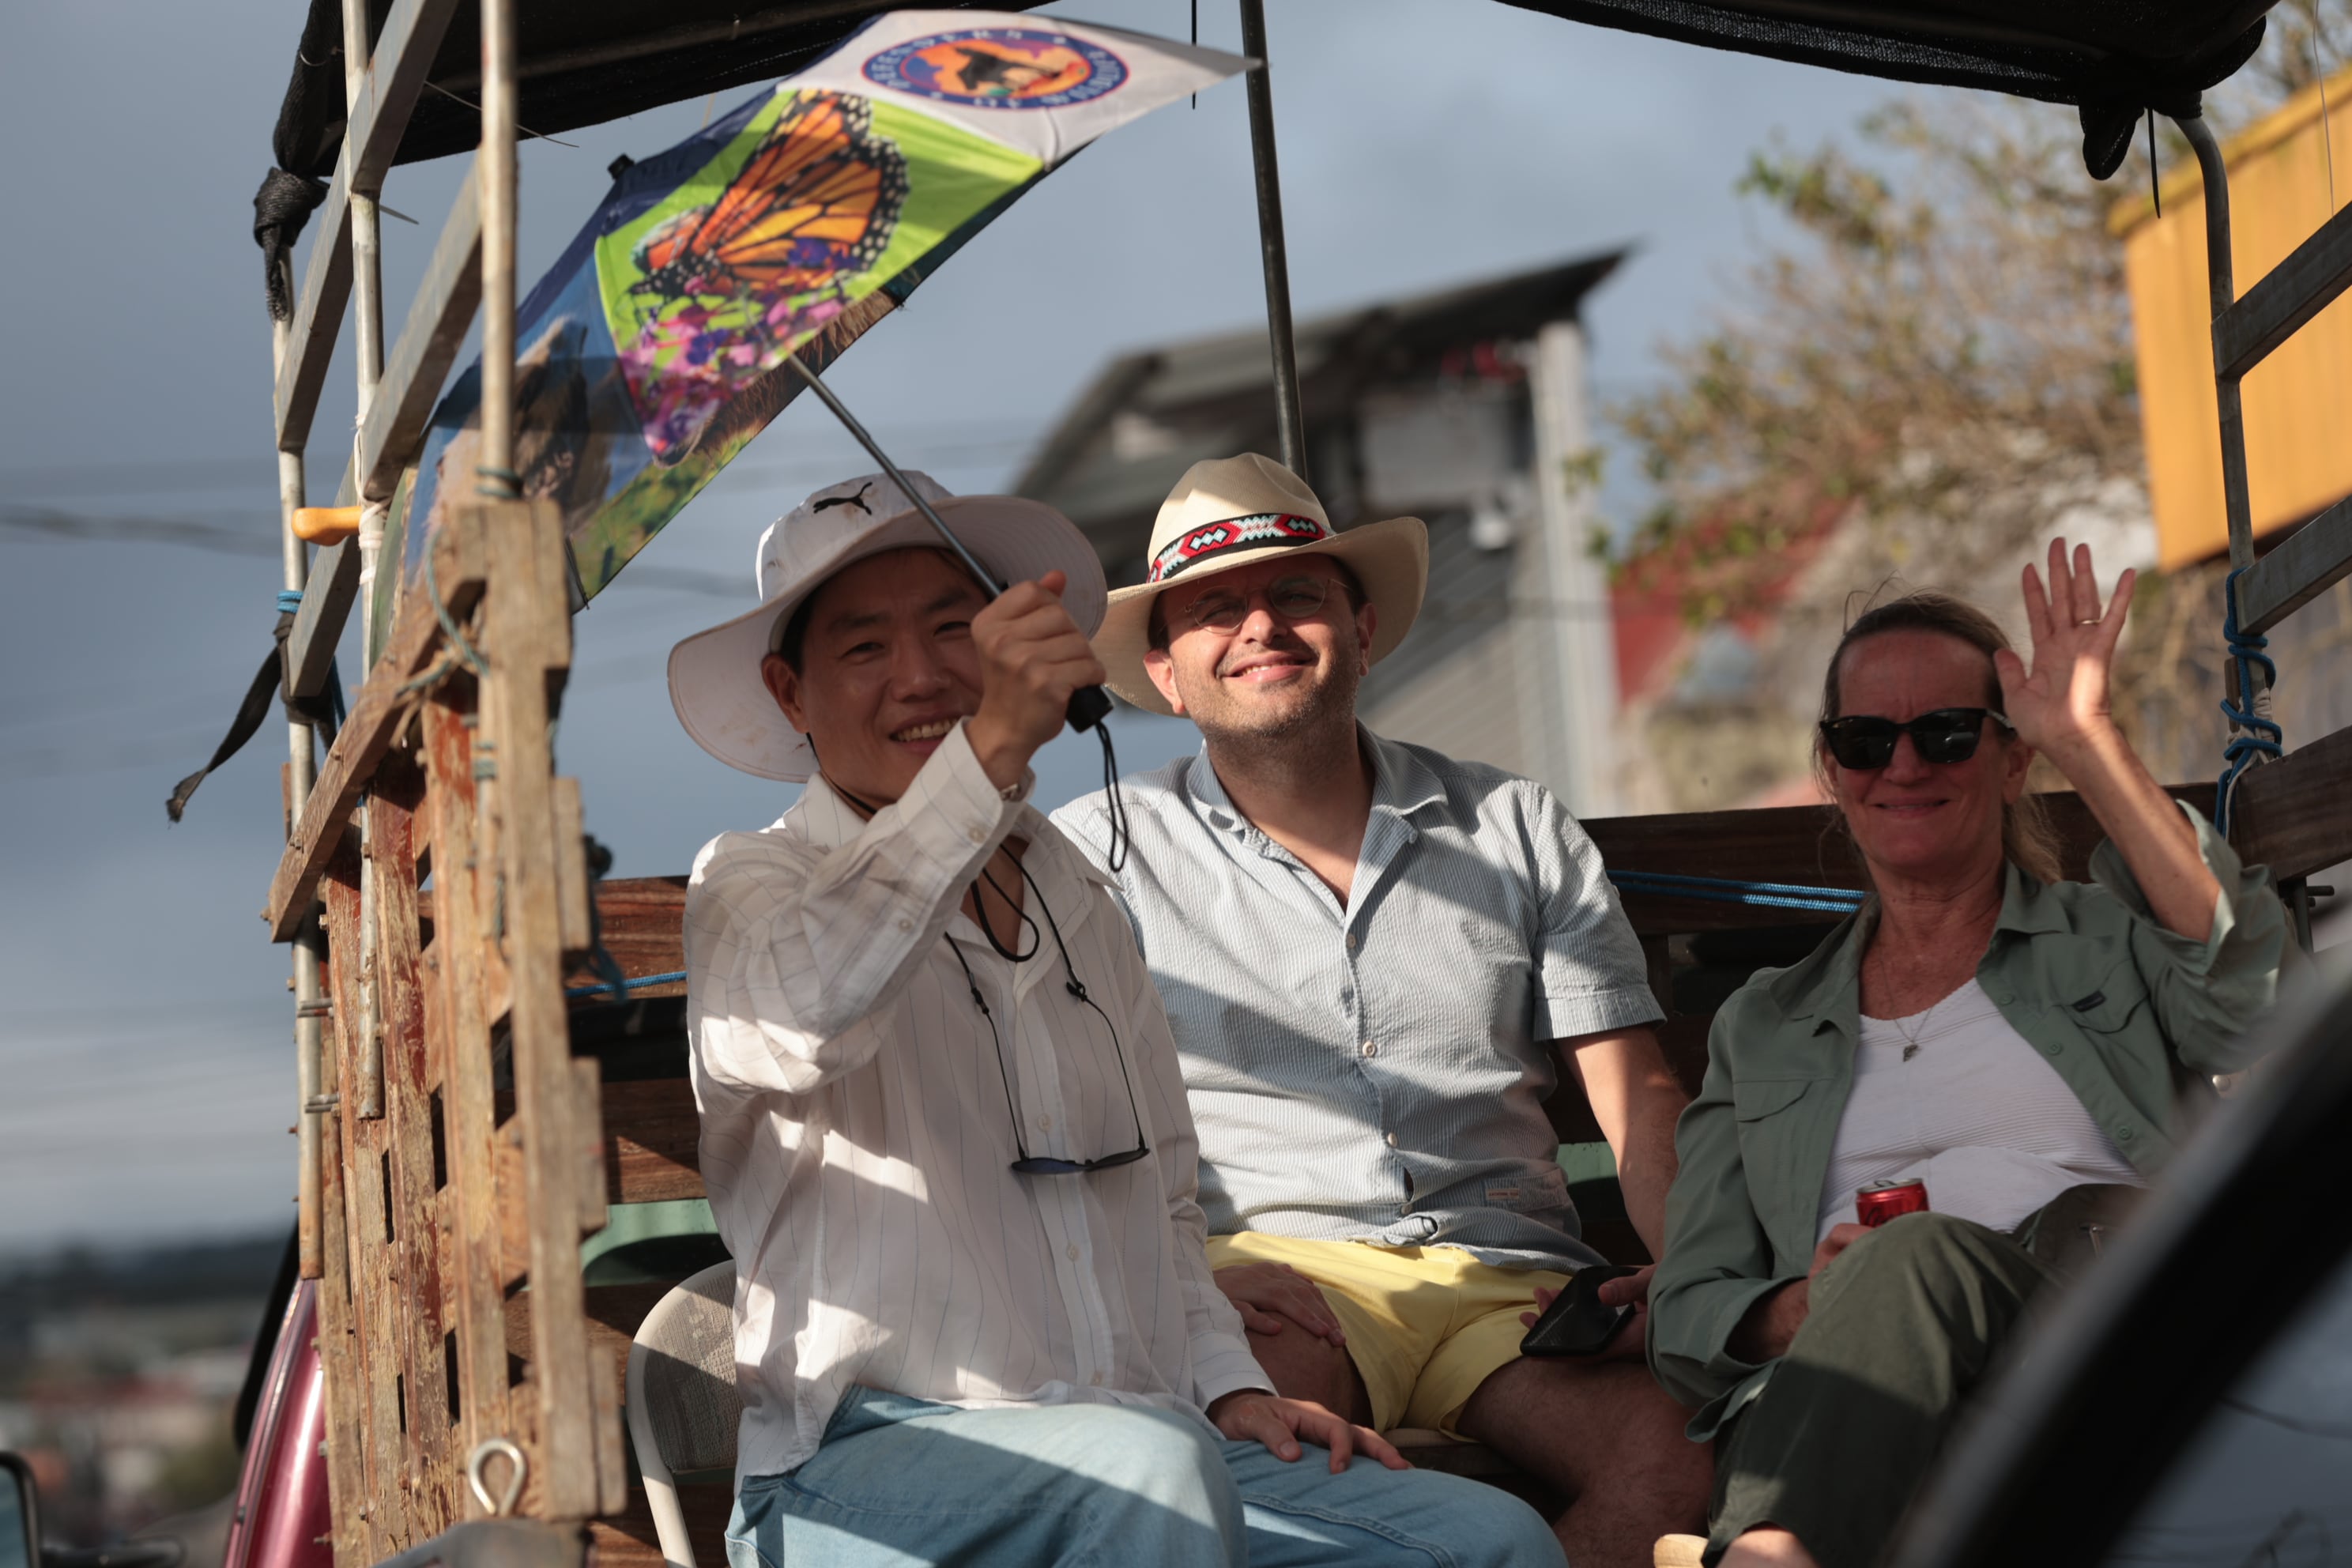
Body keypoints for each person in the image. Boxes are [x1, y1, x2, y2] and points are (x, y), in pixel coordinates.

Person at [667, 472, 1563, 1568]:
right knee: (1149, 1468)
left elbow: (1162, 1197)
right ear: (789, 692)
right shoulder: (750, 881)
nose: (919, 674)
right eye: (862, 648)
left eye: (955, 627)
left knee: (1491, 1541)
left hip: (1144, 1435)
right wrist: (985, 756)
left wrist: (1230, 1384)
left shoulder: (1074, 890)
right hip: (857, 1469)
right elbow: (804, 1016)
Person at [1054, 454, 1713, 1566]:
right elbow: (1066, 1129)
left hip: (1511, 1284)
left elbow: (1635, 1091)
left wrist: (1702, 1282)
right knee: (1249, 1463)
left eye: (1296, 595)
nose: (1261, 624)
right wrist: (1182, 1282)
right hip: (1271, 1273)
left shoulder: (1512, 824)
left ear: (1360, 626)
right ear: (1166, 673)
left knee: (1677, 1456)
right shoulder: (1095, 858)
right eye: (1217, 609)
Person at [1645, 541, 2293, 1568]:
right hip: (1849, 1400)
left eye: (1945, 733)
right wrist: (1808, 1306)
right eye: (1866, 740)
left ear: (2011, 757)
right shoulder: (1766, 1023)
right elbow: (1685, 1310)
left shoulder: (2106, 939)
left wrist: (2092, 741)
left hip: (2087, 1349)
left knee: (1918, 1252)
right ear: (1832, 768)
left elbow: (2257, 1006)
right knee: (1899, 1292)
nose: (1904, 766)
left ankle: (1770, 1553)